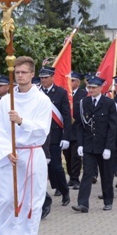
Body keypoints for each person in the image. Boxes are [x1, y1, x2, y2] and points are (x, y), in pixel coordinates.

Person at [0, 56, 51, 235]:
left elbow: (43, 129)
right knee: (7, 199)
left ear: (32, 74)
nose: (20, 76)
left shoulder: (42, 100)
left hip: (32, 154)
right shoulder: (6, 100)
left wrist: (22, 121)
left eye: (24, 72)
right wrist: (6, 150)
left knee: (30, 202)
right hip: (10, 155)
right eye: (17, 72)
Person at [73, 75, 117, 212]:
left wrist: (109, 147)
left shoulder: (109, 103)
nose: (91, 90)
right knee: (87, 173)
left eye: (93, 87)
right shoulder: (83, 102)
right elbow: (80, 125)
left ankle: (108, 200)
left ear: (101, 88)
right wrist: (80, 144)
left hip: (104, 145)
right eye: (89, 87)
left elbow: (112, 127)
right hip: (89, 145)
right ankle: (83, 203)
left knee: (106, 174)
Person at [38, 66, 71, 206]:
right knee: (41, 168)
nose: (43, 80)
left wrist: (66, 136)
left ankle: (64, 191)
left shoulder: (61, 93)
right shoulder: (36, 92)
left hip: (55, 136)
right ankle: (43, 197)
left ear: (52, 77)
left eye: (46, 77)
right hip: (39, 136)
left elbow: (66, 116)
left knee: (56, 166)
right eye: (41, 77)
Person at [64, 71, 87, 190]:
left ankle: (75, 178)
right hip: (67, 129)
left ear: (78, 82)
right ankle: (70, 176)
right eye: (69, 80)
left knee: (76, 156)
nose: (70, 83)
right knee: (67, 155)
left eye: (72, 80)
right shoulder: (65, 94)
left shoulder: (83, 94)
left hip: (78, 128)